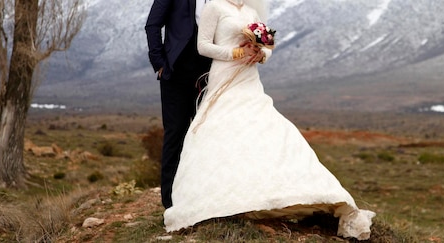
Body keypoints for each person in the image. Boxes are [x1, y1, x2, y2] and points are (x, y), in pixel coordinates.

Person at [163, 0, 375, 240]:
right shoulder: (215, 7)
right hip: (224, 75)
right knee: (223, 130)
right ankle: (221, 195)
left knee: (263, 128)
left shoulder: (253, 12)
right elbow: (203, 46)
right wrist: (235, 53)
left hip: (249, 77)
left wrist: (260, 54)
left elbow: (269, 45)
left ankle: (268, 192)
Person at [145, 0, 212, 209]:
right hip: (175, 74)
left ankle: (203, 196)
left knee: (207, 135)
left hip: (210, 74)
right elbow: (153, 24)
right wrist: (160, 63)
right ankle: (171, 202)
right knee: (175, 135)